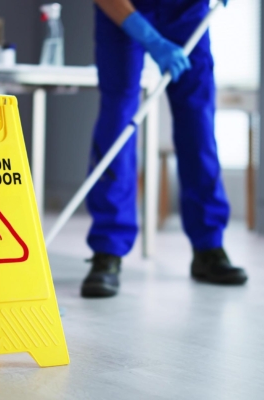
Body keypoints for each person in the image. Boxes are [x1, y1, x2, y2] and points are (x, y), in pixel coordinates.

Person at [81, 0, 248, 298]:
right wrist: (150, 38)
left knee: (197, 121)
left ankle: (208, 247)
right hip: (124, 10)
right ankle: (108, 250)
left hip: (186, 10)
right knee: (118, 118)